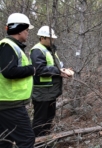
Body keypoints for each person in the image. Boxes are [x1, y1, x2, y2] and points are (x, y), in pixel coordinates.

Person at [0, 13, 35, 148]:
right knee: (27, 139)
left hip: (7, 102)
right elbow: (9, 71)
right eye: (26, 30)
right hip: (10, 103)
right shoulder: (7, 46)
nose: (27, 33)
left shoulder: (10, 46)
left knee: (5, 141)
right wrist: (31, 70)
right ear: (19, 30)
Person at [30, 26, 71, 137]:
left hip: (50, 92)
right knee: (40, 120)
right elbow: (39, 69)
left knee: (49, 117)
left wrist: (62, 70)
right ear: (42, 38)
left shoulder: (50, 50)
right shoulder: (37, 51)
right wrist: (58, 71)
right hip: (42, 92)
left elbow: (55, 66)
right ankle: (37, 142)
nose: (53, 41)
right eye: (50, 38)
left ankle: (45, 140)